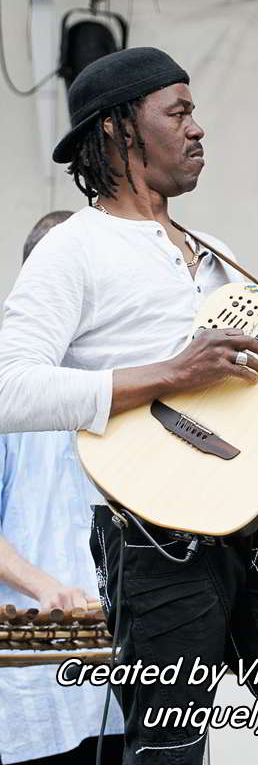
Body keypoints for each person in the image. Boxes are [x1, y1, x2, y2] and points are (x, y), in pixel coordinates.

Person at [0, 48, 258, 765]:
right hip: (156, 531)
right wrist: (168, 373)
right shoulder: (73, 250)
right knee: (171, 752)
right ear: (114, 130)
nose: (198, 129)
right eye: (178, 112)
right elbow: (9, 389)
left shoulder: (219, 253)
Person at [0, 212, 124, 764]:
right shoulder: (8, 390)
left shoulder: (138, 381)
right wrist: (45, 586)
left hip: (130, 670)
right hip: (37, 669)